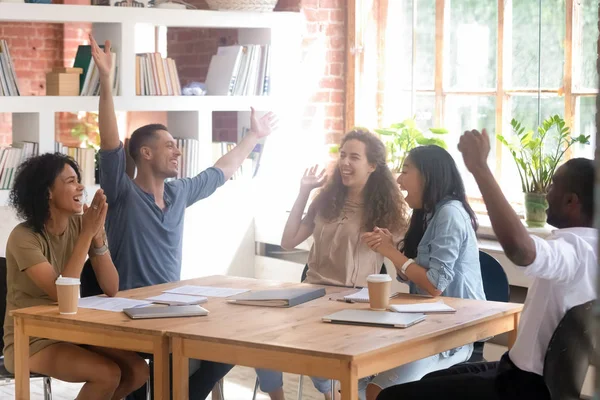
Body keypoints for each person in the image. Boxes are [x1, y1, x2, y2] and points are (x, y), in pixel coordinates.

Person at [90, 36, 276, 399]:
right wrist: (107, 81)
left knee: (229, 346)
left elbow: (222, 169)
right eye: (170, 146)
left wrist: (254, 134)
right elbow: (110, 141)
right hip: (128, 311)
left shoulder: (178, 193)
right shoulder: (124, 193)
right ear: (145, 153)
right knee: (159, 370)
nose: (178, 151)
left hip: (171, 308)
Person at [376, 129, 597, 400]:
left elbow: (520, 249)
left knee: (391, 397)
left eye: (552, 186)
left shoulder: (574, 252)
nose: (545, 193)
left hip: (524, 387)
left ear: (571, 201)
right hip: (516, 371)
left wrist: (479, 168)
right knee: (431, 380)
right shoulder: (586, 247)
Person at [255, 129, 409, 400]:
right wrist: (304, 192)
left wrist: (389, 246)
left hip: (355, 300)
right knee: (260, 338)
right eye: (342, 155)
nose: (345, 163)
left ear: (372, 165)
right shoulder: (326, 200)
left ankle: (331, 394)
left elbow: (403, 265)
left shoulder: (386, 212)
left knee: (323, 346)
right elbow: (289, 241)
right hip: (311, 293)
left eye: (354, 157)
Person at [3, 153, 149, 400]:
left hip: (72, 331)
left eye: (78, 180)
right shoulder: (23, 237)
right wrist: (86, 234)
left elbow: (111, 287)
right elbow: (61, 295)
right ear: (48, 192)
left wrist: (97, 236)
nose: (81, 186)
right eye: (71, 181)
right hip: (31, 339)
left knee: (137, 371)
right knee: (107, 374)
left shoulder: (82, 225)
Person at [359, 145, 486, 400]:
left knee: (377, 389)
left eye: (406, 171)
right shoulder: (427, 213)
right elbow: (413, 273)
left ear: (428, 176)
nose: (398, 179)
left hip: (451, 334)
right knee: (354, 381)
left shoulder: (450, 213)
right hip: (423, 328)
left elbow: (435, 284)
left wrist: (392, 252)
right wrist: (393, 249)